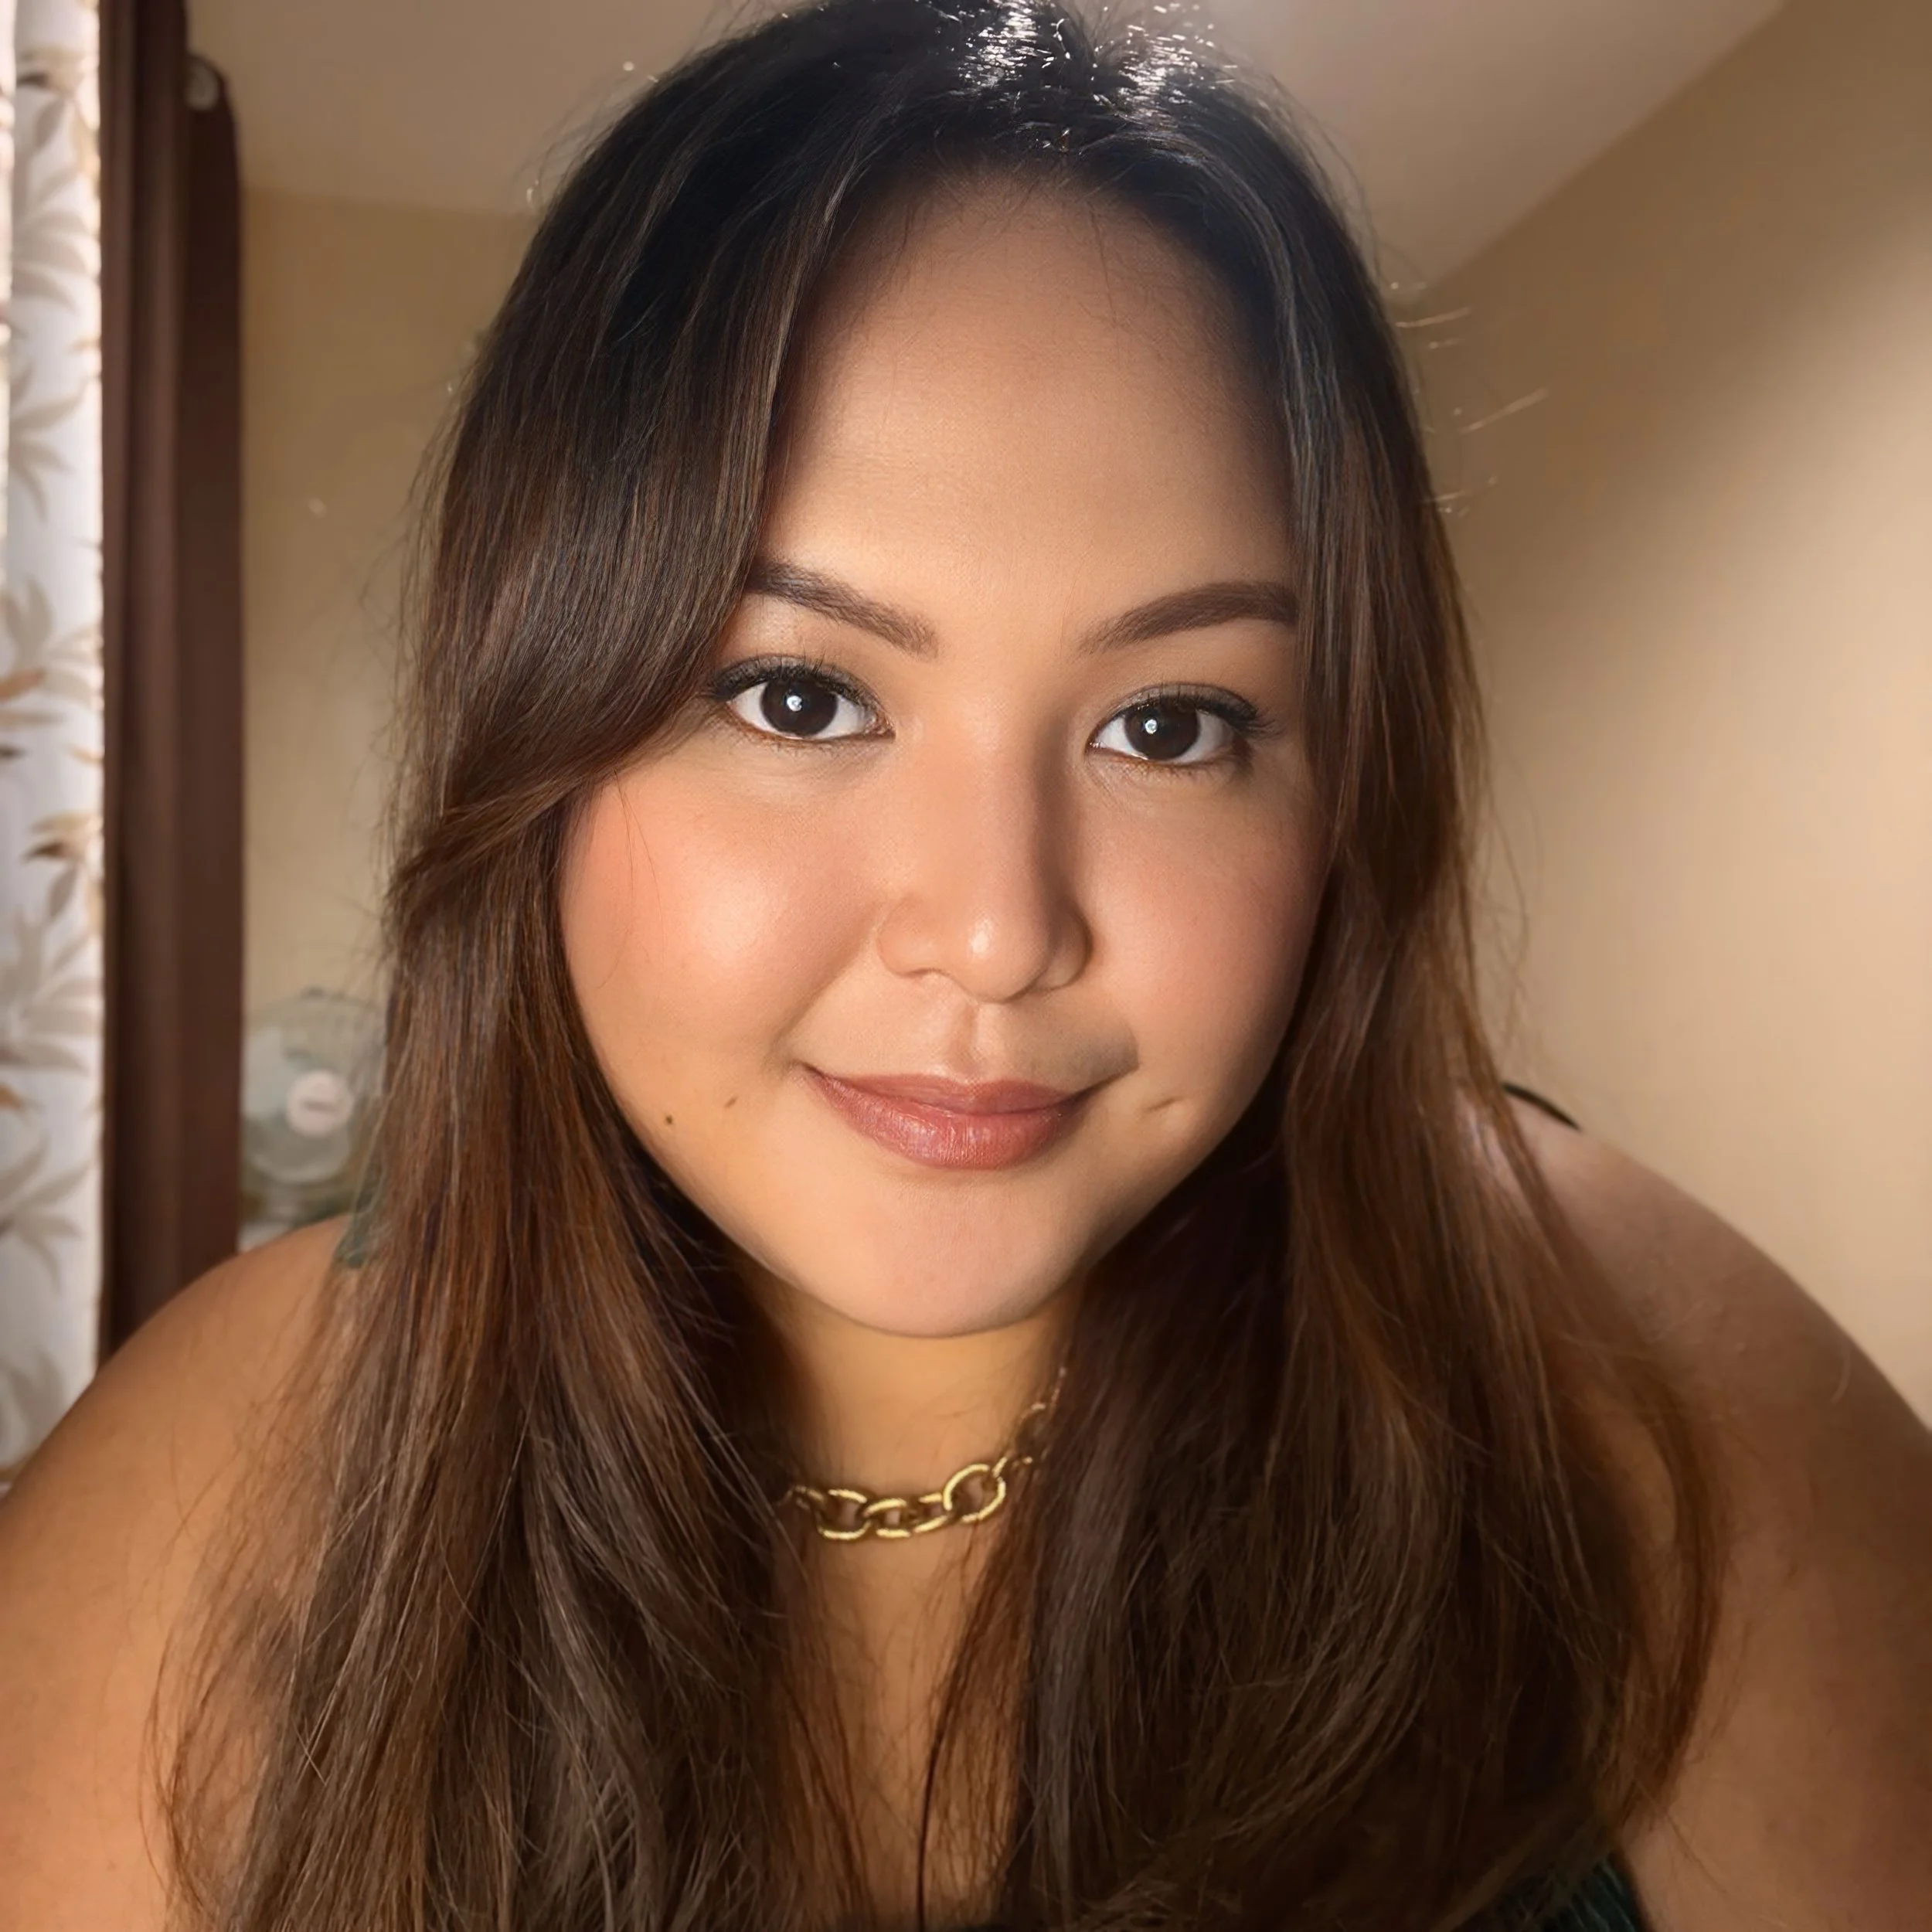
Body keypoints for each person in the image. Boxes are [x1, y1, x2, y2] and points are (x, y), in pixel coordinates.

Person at [2, 2, 1929, 1926]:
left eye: (1170, 725)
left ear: (1342, 790)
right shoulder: (217, 1489)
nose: (998, 928)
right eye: (798, 692)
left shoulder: (1624, 1366)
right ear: (534, 736)